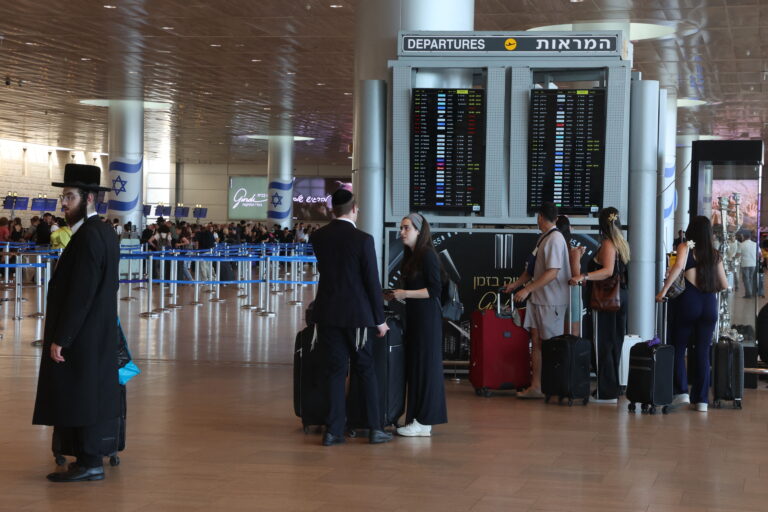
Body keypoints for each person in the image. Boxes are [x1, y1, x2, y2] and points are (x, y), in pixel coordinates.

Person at [32, 163, 121, 482]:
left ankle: (90, 462)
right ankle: (87, 458)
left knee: (82, 393)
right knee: (88, 393)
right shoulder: (101, 233)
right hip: (95, 331)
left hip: (82, 335)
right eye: (63, 197)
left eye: (69, 196)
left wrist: (62, 337)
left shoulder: (88, 237)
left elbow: (81, 294)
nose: (63, 203)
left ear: (89, 198)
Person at [309, 189, 393, 446]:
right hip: (358, 317)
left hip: (328, 314)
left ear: (333, 210)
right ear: (354, 209)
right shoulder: (363, 240)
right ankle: (375, 428)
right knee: (365, 369)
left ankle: (333, 431)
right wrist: (380, 320)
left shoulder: (318, 237)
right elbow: (370, 282)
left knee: (335, 371)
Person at [656, 216, 727, 412]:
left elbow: (677, 268)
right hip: (709, 305)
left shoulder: (686, 247)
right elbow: (724, 285)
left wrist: (662, 292)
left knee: (679, 348)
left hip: (689, 302)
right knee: (703, 352)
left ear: (691, 230)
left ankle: (682, 393)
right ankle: (702, 400)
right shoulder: (715, 254)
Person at [386, 214, 447, 437]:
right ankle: (414, 417)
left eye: (406, 228)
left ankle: (424, 421)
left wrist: (405, 293)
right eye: (401, 228)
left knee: (425, 369)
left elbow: (434, 291)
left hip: (427, 320)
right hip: (416, 318)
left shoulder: (427, 255)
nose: (402, 232)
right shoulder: (411, 256)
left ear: (419, 231)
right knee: (416, 368)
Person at [571, 207, 630, 403]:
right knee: (614, 342)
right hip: (620, 298)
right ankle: (610, 387)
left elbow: (607, 271)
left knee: (602, 342)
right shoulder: (621, 243)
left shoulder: (607, 243)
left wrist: (584, 275)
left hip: (604, 300)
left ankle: (606, 391)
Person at [512, 202, 571, 399]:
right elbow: (531, 271)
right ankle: (536, 386)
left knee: (551, 344)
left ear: (540, 217)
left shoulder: (555, 239)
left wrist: (527, 289)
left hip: (551, 301)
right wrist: (516, 286)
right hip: (539, 300)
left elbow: (552, 273)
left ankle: (555, 386)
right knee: (536, 341)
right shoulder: (543, 238)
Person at [556, 215, 586, 336]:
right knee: (574, 334)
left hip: (557, 293)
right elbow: (575, 276)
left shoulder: (554, 248)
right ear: (569, 228)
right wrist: (578, 256)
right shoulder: (573, 250)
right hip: (572, 295)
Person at [736, 232, 758, 298]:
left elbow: (738, 254)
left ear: (744, 237)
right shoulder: (755, 244)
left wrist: (734, 257)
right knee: (750, 278)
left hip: (745, 264)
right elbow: (758, 254)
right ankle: (750, 292)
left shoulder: (742, 245)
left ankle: (748, 294)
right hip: (753, 264)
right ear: (750, 237)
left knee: (746, 279)